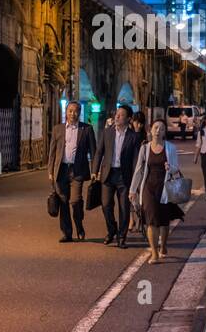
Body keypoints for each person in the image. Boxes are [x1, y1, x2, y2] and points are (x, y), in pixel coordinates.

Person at [129, 119, 185, 264]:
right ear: (150, 130)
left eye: (161, 128)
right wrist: (133, 190)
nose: (158, 130)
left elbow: (176, 169)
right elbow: (138, 170)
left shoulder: (170, 148)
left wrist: (169, 168)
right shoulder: (145, 148)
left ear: (164, 132)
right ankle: (154, 252)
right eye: (155, 127)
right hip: (148, 187)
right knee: (151, 221)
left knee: (164, 222)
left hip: (165, 187)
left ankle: (163, 245)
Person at [92, 104, 141, 247]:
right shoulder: (107, 132)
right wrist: (94, 171)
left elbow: (135, 159)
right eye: (117, 114)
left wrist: (135, 180)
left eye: (121, 115)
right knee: (106, 205)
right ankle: (112, 229)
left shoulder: (133, 136)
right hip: (108, 174)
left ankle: (121, 237)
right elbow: (99, 152)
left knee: (124, 207)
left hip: (124, 176)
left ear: (129, 119)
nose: (117, 116)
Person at [47, 101, 96, 243]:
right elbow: (52, 152)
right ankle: (67, 233)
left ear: (79, 113)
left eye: (75, 111)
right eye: (70, 111)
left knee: (75, 201)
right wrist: (50, 171)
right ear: (66, 112)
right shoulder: (57, 129)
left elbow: (94, 151)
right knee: (63, 202)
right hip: (61, 170)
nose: (72, 114)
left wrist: (94, 170)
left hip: (78, 171)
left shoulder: (86, 129)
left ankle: (79, 225)